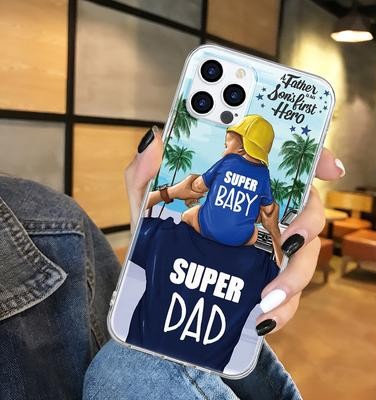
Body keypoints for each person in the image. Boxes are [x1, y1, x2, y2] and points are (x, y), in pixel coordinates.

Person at [0, 127, 345, 399]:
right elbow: (269, 219)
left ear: (240, 144)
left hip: (202, 231)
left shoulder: (175, 220)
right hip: (244, 242)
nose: (226, 144)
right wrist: (276, 238)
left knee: (121, 368)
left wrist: (172, 193)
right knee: (119, 368)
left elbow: (199, 187)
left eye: (230, 139)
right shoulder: (261, 208)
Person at [181, 116, 281, 259]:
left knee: (188, 214)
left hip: (208, 229)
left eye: (226, 146)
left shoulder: (228, 161)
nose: (224, 152)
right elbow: (268, 210)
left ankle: (187, 246)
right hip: (239, 239)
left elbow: (198, 186)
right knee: (254, 234)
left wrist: (194, 186)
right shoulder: (263, 173)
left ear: (241, 148)